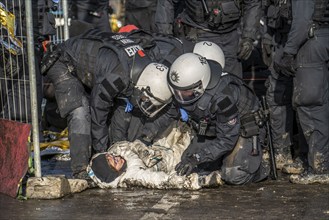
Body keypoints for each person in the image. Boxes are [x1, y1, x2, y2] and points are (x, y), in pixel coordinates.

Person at [44, 28, 173, 179]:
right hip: (62, 61)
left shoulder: (143, 70)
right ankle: (80, 170)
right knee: (80, 110)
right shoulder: (119, 76)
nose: (145, 102)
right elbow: (98, 113)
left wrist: (117, 148)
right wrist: (102, 153)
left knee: (117, 107)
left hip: (92, 66)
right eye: (147, 98)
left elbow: (121, 109)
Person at [140, 53, 269, 185]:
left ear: (199, 86)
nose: (179, 97)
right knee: (186, 165)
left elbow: (227, 140)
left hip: (242, 129)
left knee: (234, 174)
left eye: (184, 93)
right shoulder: (183, 88)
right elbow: (168, 114)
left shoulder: (222, 98)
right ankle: (220, 162)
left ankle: (260, 167)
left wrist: (198, 157)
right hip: (213, 128)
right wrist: (145, 136)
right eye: (176, 91)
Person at [271, 0, 329, 184]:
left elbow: (303, 21)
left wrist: (288, 52)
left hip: (312, 43)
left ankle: (319, 167)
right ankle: (311, 160)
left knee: (311, 105)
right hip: (322, 39)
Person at [87, 123, 224, 189]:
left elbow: (121, 146)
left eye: (111, 156)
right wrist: (198, 181)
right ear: (114, 173)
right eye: (114, 163)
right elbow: (160, 180)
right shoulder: (132, 176)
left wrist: (140, 149)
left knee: (178, 122)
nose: (116, 158)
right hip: (173, 158)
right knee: (197, 136)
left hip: (158, 146)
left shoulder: (116, 152)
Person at [154, 0, 262, 78]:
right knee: (196, 83)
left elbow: (253, 3)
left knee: (232, 84)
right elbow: (166, 3)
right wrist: (166, 38)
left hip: (231, 38)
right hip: (196, 36)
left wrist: (248, 37)